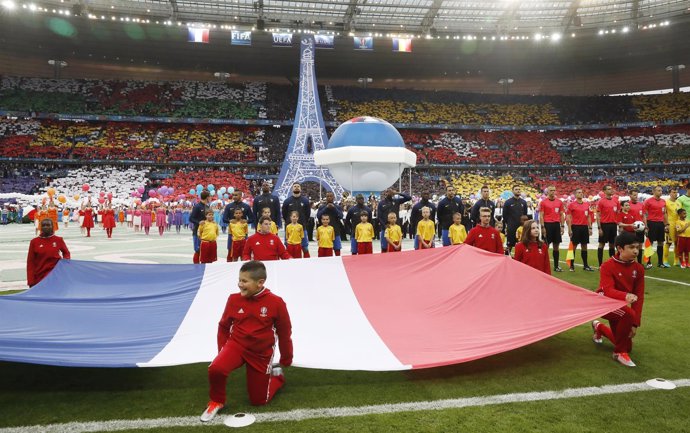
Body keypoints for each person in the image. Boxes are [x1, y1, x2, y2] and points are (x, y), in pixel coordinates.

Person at [201, 260, 292, 422]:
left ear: (260, 283)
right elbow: (223, 326)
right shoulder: (233, 299)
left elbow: (285, 332)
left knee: (259, 401)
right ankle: (216, 401)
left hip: (261, 354)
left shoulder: (277, 303)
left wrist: (287, 357)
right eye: (239, 280)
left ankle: (277, 376)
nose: (239, 285)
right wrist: (222, 352)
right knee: (216, 368)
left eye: (244, 281)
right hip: (237, 346)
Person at [590, 232, 644, 367]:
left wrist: (634, 324)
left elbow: (639, 296)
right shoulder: (607, 265)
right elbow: (607, 290)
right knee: (627, 314)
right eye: (631, 247)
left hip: (620, 308)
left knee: (628, 346)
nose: (636, 251)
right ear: (620, 249)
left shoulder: (639, 269)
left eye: (637, 247)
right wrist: (625, 296)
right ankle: (619, 353)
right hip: (603, 304)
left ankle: (599, 328)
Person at [27, 218, 71, 287]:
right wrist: (31, 281)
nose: (45, 227)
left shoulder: (58, 240)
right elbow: (30, 262)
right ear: (40, 227)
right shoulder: (34, 242)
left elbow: (66, 253)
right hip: (40, 276)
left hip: (56, 275)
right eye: (43, 225)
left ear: (52, 227)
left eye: (48, 225)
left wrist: (65, 262)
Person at [537, 186, 565, 272]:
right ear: (547, 192)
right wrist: (542, 227)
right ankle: (542, 265)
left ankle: (556, 266)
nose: (553, 192)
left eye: (554, 190)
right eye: (551, 190)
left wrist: (562, 226)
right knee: (545, 246)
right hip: (547, 225)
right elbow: (541, 215)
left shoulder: (559, 202)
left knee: (556, 246)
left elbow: (561, 214)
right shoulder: (543, 202)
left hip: (556, 225)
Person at [566, 188, 594, 271]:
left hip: (584, 227)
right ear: (575, 194)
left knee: (584, 246)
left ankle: (585, 265)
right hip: (575, 227)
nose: (580, 194)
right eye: (578, 192)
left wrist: (590, 227)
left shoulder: (586, 204)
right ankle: (571, 265)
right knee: (573, 246)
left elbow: (588, 216)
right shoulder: (571, 205)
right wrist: (569, 229)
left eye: (581, 192)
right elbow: (569, 217)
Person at [281, 183, 311, 258]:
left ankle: (307, 264)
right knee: (288, 247)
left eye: (298, 186)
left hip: (302, 228)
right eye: (295, 186)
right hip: (289, 229)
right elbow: (284, 214)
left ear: (300, 189)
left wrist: (302, 222)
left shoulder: (305, 201)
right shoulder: (287, 201)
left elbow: (308, 214)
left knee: (305, 248)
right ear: (292, 189)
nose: (296, 188)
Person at [377, 188, 411, 253]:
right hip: (385, 229)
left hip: (396, 229)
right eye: (388, 191)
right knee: (384, 248)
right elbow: (379, 217)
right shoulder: (381, 203)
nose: (389, 192)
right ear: (385, 193)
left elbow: (409, 197)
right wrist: (385, 226)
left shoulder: (396, 201)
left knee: (396, 247)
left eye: (391, 191)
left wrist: (397, 193)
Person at [643, 185, 669, 269]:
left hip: (660, 224)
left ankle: (660, 263)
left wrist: (666, 224)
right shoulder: (648, 201)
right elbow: (645, 214)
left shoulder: (663, 201)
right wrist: (646, 226)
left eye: (661, 190)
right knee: (649, 243)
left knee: (661, 242)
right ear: (653, 191)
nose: (660, 192)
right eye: (658, 190)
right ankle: (648, 262)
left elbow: (664, 213)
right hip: (651, 223)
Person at [223, 191, 254, 257]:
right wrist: (230, 221)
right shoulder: (228, 206)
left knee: (244, 252)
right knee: (230, 250)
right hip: (232, 234)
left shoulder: (246, 206)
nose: (234, 196)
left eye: (236, 195)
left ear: (240, 196)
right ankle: (230, 266)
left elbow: (252, 219)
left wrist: (246, 221)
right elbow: (224, 219)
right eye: (233, 195)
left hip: (243, 234)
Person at [596, 185, 619, 267]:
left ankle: (612, 264)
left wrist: (618, 224)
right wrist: (599, 228)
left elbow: (618, 213)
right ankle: (600, 264)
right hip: (604, 225)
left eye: (611, 188)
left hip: (613, 225)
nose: (611, 190)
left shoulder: (616, 201)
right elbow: (598, 215)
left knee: (612, 244)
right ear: (604, 191)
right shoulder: (601, 202)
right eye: (608, 189)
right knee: (601, 244)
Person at [502, 185, 528, 254]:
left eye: (519, 189)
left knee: (522, 245)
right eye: (516, 189)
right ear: (512, 191)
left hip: (521, 228)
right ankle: (506, 261)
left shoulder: (524, 202)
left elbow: (525, 215)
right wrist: (509, 224)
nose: (518, 190)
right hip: (511, 227)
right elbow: (504, 215)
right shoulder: (508, 202)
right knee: (509, 245)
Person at [316, 191, 344, 256]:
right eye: (327, 196)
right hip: (324, 233)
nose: (329, 197)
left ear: (333, 197)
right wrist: (326, 208)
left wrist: (334, 208)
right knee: (324, 249)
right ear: (326, 197)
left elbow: (341, 216)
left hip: (335, 231)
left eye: (330, 196)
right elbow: (318, 216)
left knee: (337, 249)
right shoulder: (322, 207)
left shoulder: (337, 207)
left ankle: (338, 261)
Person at [190, 190, 212, 264]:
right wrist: (198, 222)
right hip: (197, 232)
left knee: (205, 250)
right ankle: (196, 266)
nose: (211, 198)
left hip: (207, 233)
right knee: (198, 250)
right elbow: (191, 218)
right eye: (210, 197)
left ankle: (204, 266)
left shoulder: (208, 207)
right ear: (207, 198)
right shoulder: (197, 207)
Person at [665, 188, 681, 267]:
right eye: (674, 192)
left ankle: (676, 260)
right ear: (670, 193)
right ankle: (665, 260)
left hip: (677, 225)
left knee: (677, 243)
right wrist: (666, 225)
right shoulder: (666, 202)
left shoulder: (678, 203)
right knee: (668, 242)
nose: (675, 194)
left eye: (676, 192)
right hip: (670, 224)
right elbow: (664, 214)